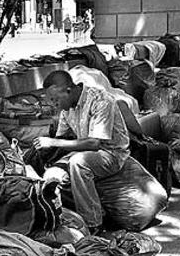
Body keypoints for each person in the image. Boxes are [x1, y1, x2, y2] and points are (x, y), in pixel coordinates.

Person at [33, 70, 130, 233]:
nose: (54, 104)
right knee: (52, 175)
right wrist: (41, 153)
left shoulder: (101, 100)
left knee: (79, 163)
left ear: (68, 91)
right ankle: (56, 218)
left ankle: (93, 223)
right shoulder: (67, 108)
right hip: (83, 150)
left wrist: (53, 142)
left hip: (110, 153)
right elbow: (61, 140)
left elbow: (94, 143)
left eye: (55, 99)